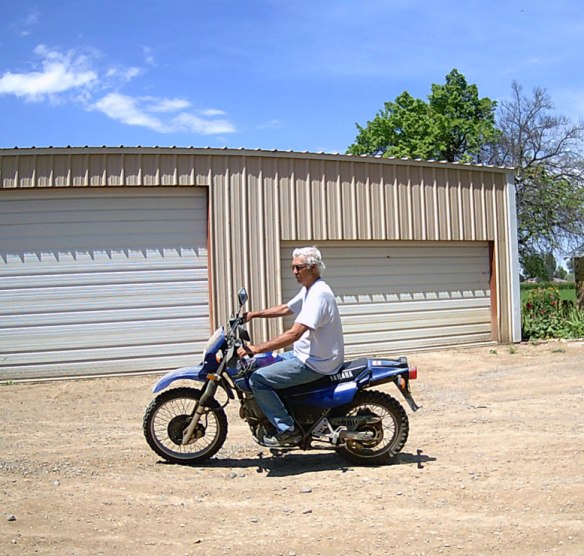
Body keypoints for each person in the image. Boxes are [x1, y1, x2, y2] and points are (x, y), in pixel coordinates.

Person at [237, 246, 344, 447]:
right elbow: (286, 308)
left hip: (315, 363)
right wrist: (254, 314)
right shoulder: (310, 289)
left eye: (299, 267)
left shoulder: (319, 294)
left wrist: (257, 348)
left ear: (313, 267)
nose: (294, 272)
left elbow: (294, 334)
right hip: (304, 355)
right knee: (262, 364)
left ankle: (287, 430)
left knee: (258, 380)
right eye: (292, 267)